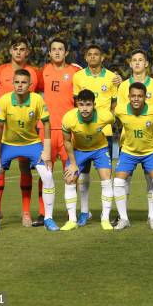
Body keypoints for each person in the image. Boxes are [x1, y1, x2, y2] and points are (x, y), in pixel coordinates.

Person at [0, 69, 58, 233]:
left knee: (48, 175)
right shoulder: (4, 100)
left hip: (32, 144)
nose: (20, 85)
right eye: (17, 82)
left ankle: (49, 218)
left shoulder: (37, 99)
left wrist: (47, 151)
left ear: (30, 85)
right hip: (8, 145)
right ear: (13, 83)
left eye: (23, 82)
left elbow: (46, 124)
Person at [0, 39, 41, 226]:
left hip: (26, 129)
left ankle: (26, 212)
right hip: (3, 128)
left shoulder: (35, 72)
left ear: (28, 52)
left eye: (23, 49)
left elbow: (46, 94)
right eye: (16, 49)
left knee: (24, 169)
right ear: (10, 51)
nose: (19, 52)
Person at [34, 37, 81, 226]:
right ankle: (43, 212)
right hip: (45, 130)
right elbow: (29, 90)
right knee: (45, 173)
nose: (57, 52)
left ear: (66, 52)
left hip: (68, 130)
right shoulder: (42, 72)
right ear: (49, 52)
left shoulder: (75, 72)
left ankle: (72, 214)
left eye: (60, 49)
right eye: (53, 49)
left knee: (71, 171)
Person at [72, 44, 120, 226]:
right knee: (82, 175)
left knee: (105, 176)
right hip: (83, 132)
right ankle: (85, 212)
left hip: (104, 132)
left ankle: (105, 215)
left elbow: (115, 103)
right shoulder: (78, 77)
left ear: (102, 57)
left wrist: (111, 119)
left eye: (96, 54)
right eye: (89, 54)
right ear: (85, 57)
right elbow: (76, 102)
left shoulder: (111, 78)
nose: (93, 57)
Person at [116, 49, 153, 225]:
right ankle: (123, 217)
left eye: (140, 60)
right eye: (133, 60)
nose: (137, 63)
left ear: (146, 63)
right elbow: (121, 113)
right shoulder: (122, 86)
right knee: (123, 180)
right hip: (127, 143)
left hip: (150, 143)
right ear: (130, 63)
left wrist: (147, 128)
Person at [60, 89, 115, 231]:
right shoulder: (68, 118)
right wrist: (72, 164)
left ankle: (105, 218)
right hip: (79, 150)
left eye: (88, 105)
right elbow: (66, 141)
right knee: (69, 178)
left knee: (107, 179)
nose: (84, 108)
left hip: (100, 149)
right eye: (81, 104)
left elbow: (119, 121)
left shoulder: (105, 116)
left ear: (94, 105)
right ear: (77, 104)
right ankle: (72, 220)